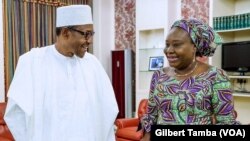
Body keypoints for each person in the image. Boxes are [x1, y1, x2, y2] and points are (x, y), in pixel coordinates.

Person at [4, 5, 118, 141]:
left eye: (91, 34)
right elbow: (15, 114)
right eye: (86, 34)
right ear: (65, 33)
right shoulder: (32, 62)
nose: (90, 40)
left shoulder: (93, 64)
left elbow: (108, 110)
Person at [140, 18, 239, 140]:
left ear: (194, 47)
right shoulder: (159, 75)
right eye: (167, 45)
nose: (169, 50)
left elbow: (226, 124)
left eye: (176, 45)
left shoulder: (216, 76)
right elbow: (151, 117)